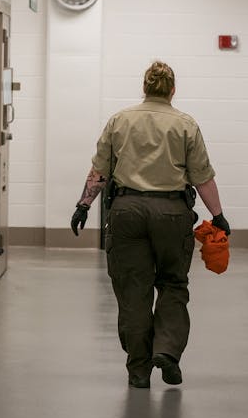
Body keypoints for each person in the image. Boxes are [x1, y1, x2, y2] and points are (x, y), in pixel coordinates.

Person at [70, 61, 231, 388]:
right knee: (173, 283)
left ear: (144, 88)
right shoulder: (186, 125)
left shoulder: (120, 121)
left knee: (134, 290)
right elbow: (203, 177)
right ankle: (168, 351)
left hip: (127, 212)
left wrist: (83, 205)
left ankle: (139, 371)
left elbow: (99, 172)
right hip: (172, 213)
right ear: (172, 90)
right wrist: (217, 215)